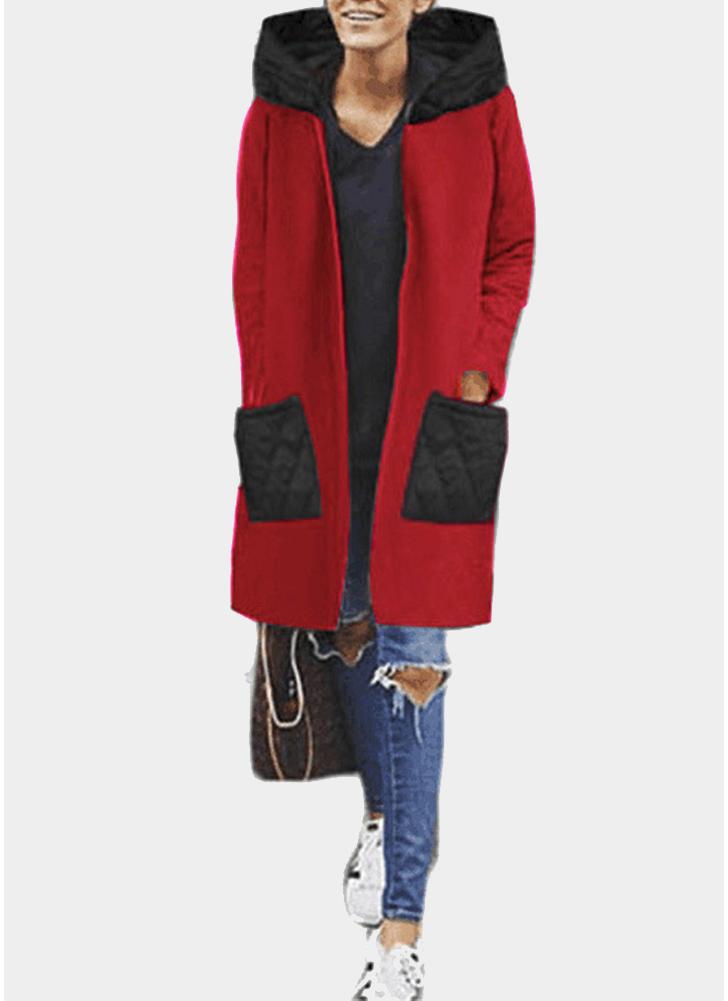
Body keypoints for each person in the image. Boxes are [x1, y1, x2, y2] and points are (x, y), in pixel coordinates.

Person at [230, 3, 535, 998]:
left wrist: (477, 369)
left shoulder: (476, 103)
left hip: (427, 423)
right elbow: (253, 264)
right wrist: (266, 389)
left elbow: (510, 244)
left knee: (415, 660)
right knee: (349, 630)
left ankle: (400, 936)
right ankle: (381, 812)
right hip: (316, 426)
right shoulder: (279, 109)